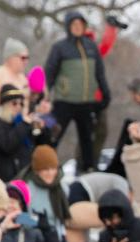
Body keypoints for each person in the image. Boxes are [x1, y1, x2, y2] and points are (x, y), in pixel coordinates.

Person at [44, 11, 110, 173]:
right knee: (54, 135)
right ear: (68, 27)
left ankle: (87, 169)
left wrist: (105, 92)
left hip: (86, 102)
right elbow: (49, 73)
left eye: (80, 24)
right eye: (74, 24)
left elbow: (99, 73)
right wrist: (44, 96)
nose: (77, 27)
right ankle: (45, 166)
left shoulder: (91, 46)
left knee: (87, 140)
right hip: (64, 101)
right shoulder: (60, 47)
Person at [0, 85, 37, 182]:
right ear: (4, 104)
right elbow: (7, 145)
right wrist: (24, 125)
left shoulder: (19, 123)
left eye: (21, 103)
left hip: (24, 174)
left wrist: (40, 130)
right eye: (14, 103)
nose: (18, 107)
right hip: (5, 176)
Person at [0, 38, 30, 119]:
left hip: (18, 123)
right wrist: (6, 111)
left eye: (27, 58)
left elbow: (26, 102)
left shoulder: (23, 78)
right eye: (23, 58)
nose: (26, 61)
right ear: (11, 57)